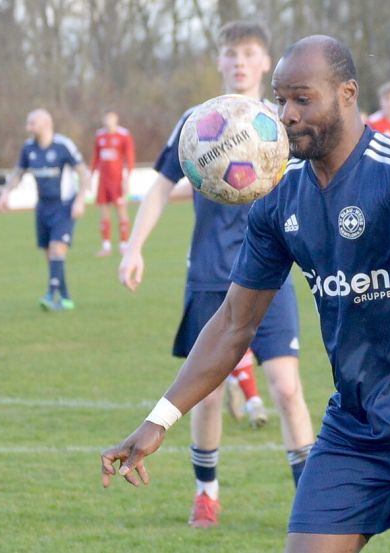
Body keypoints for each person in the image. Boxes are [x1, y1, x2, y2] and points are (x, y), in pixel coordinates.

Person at [102, 35, 390, 553]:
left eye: (302, 99)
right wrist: (159, 419)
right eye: (280, 99)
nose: (287, 115)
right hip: (358, 420)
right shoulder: (277, 200)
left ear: (347, 93)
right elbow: (234, 324)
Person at [117, 21, 315, 528]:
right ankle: (206, 493)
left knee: (287, 389)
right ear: (221, 61)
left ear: (265, 61)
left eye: (250, 52)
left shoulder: (280, 121)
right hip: (210, 274)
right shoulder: (198, 121)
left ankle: (312, 497)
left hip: (271, 273)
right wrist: (134, 246)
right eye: (231, 53)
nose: (240, 61)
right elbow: (160, 185)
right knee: (203, 392)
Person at [0, 109, 92, 311]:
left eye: (32, 123)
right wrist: (6, 192)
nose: (28, 127)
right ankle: (65, 298)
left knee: (58, 248)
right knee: (51, 255)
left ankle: (50, 295)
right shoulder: (28, 148)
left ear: (46, 124)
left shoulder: (63, 145)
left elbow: (84, 173)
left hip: (64, 205)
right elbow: (19, 172)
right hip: (42, 207)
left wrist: (81, 200)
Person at [90, 110, 136, 257]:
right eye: (106, 118)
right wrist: (90, 176)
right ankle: (106, 246)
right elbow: (95, 158)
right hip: (103, 181)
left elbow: (129, 157)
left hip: (117, 181)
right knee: (104, 213)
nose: (108, 121)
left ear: (116, 119)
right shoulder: (100, 136)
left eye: (111, 118)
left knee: (122, 211)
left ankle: (124, 245)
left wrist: (127, 179)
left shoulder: (123, 135)